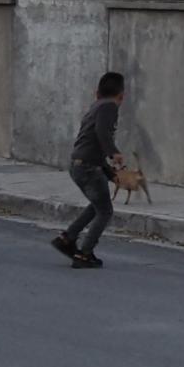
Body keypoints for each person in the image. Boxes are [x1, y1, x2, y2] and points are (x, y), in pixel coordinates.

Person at [52, 71, 126, 268]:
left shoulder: (96, 106)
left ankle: (67, 238)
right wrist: (114, 153)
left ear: (96, 93)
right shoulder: (110, 106)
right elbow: (102, 133)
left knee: (97, 206)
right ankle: (85, 254)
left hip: (79, 164)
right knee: (105, 211)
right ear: (121, 96)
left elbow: (92, 142)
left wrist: (109, 173)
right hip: (88, 167)